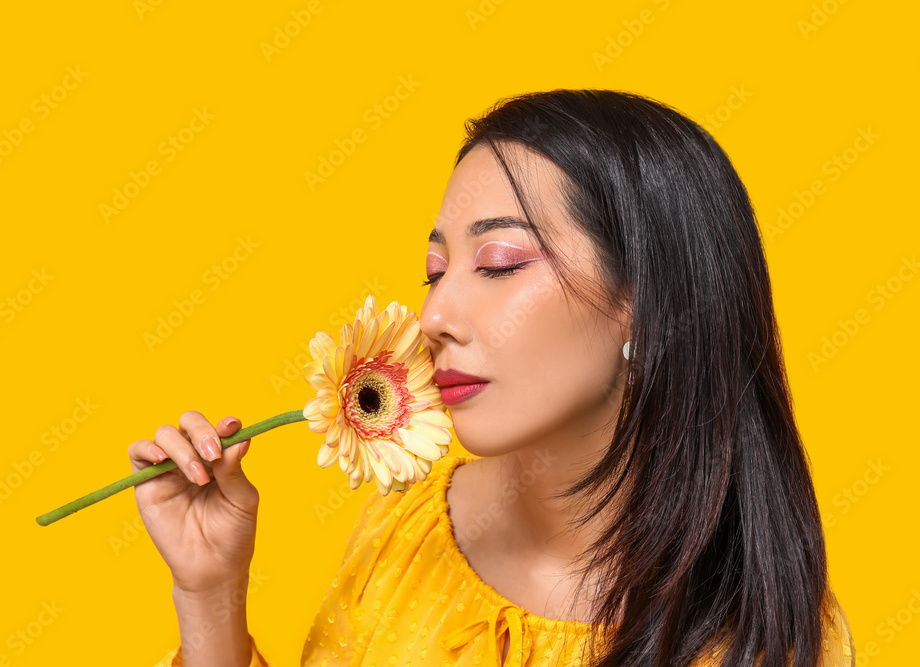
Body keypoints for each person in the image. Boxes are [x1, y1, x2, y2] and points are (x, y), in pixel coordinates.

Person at [137, 89, 855, 667]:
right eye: (435, 271)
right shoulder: (406, 526)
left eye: (501, 262)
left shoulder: (772, 637)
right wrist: (210, 593)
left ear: (648, 298)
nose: (435, 313)